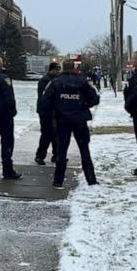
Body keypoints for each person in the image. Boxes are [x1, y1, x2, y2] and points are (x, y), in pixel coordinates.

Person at [41, 60, 100, 188]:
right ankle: (91, 179)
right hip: (79, 120)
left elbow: (45, 101)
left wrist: (56, 109)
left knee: (61, 151)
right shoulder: (83, 81)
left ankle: (58, 180)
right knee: (84, 150)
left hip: (62, 120)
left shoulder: (55, 82)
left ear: (63, 68)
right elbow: (95, 98)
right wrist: (83, 105)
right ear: (74, 68)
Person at [35, 62, 61, 165]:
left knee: (56, 134)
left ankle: (56, 155)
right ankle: (40, 155)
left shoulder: (56, 80)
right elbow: (44, 97)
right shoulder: (45, 81)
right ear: (51, 70)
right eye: (56, 69)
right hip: (45, 111)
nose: (58, 71)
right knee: (46, 133)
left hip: (55, 111)